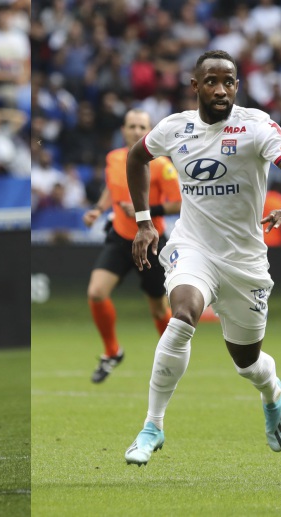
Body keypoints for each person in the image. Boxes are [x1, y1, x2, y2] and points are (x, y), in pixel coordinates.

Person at [123, 50, 281, 466]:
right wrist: (144, 222)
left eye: (228, 82)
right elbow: (136, 157)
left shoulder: (256, 126)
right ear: (195, 86)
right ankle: (152, 427)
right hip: (193, 246)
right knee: (182, 316)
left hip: (245, 261)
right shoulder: (175, 128)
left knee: (247, 363)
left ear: (237, 86)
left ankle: (271, 392)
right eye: (211, 81)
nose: (220, 89)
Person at [82, 109, 182, 383]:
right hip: (119, 237)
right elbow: (111, 188)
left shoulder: (162, 165)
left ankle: (173, 356)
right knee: (96, 292)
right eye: (132, 126)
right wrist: (98, 209)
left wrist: (144, 211)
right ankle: (112, 351)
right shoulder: (114, 158)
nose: (137, 131)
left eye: (142, 127)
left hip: (149, 241)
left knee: (159, 310)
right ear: (123, 129)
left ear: (150, 131)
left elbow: (178, 202)